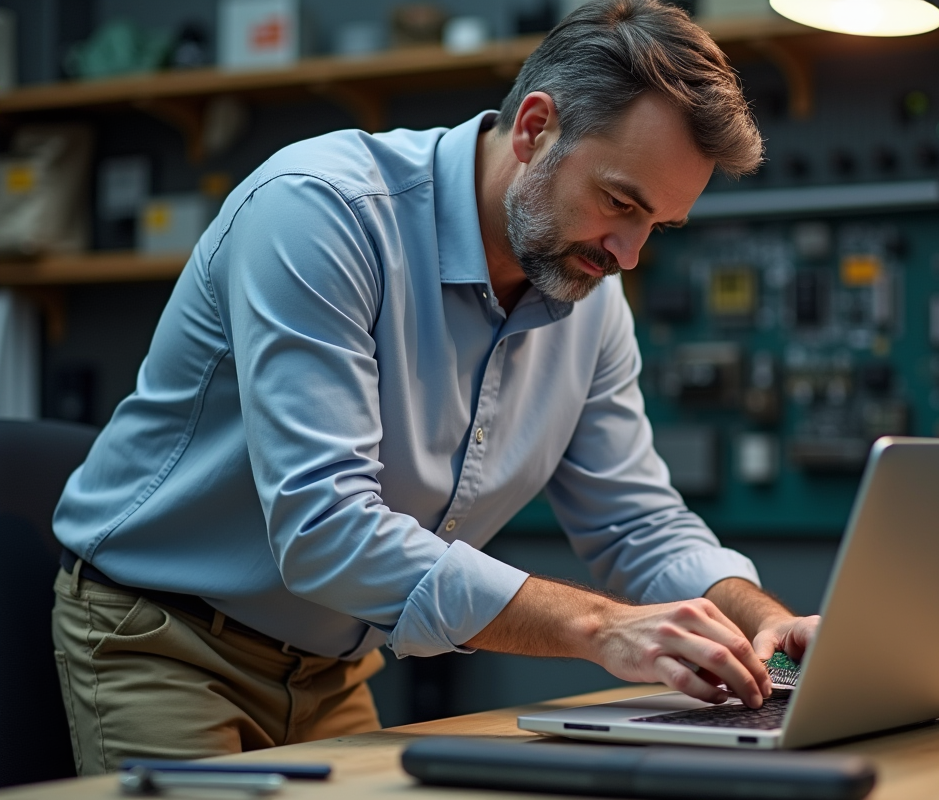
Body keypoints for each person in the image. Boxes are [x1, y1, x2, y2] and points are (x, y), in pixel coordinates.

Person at [51, 0, 819, 775]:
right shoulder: (321, 212)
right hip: (164, 641)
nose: (628, 254)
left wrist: (769, 627)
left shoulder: (592, 297)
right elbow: (326, 528)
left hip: (329, 671)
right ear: (535, 128)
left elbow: (636, 525)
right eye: (621, 203)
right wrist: (600, 627)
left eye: (659, 225)